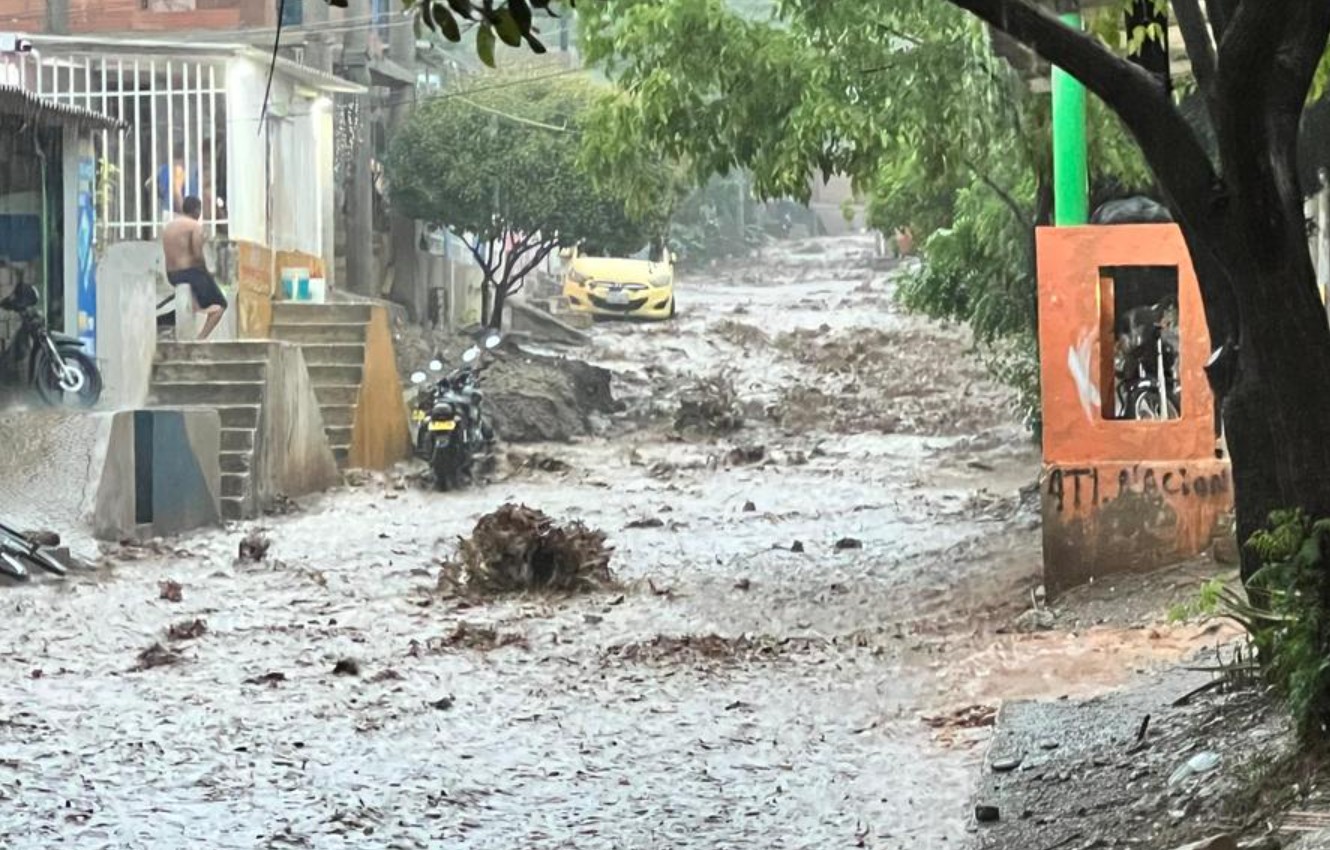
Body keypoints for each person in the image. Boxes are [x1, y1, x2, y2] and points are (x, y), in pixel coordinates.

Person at [162, 196, 226, 340]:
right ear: (197, 210)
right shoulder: (194, 227)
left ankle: (198, 306)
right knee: (221, 305)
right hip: (189, 273)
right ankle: (201, 338)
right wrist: (207, 271)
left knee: (199, 295)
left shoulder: (169, 227)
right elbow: (197, 255)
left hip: (171, 275)